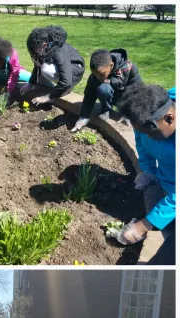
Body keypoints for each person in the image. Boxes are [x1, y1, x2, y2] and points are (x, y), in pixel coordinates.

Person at [107, 83, 175, 261]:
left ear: (170, 118)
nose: (148, 136)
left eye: (151, 133)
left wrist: (143, 226)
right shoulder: (147, 119)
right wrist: (148, 170)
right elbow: (143, 145)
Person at [72, 47, 142, 132]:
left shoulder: (129, 69)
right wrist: (84, 116)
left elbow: (138, 92)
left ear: (111, 65)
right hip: (111, 96)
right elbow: (89, 96)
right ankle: (106, 109)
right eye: (95, 75)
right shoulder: (97, 75)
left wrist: (129, 113)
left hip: (125, 99)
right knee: (103, 89)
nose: (98, 78)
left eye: (101, 74)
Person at [21, 26, 85, 107]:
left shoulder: (59, 53)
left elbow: (66, 80)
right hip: (64, 66)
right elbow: (37, 65)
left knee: (45, 69)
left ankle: (65, 89)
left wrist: (48, 97)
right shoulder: (46, 47)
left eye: (35, 49)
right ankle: (54, 89)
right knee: (41, 70)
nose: (34, 52)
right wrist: (30, 84)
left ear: (44, 45)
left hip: (74, 71)